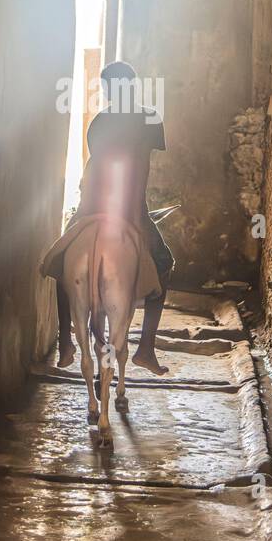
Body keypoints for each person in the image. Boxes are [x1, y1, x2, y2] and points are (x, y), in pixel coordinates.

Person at [55, 60, 173, 375]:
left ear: (108, 90)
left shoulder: (99, 122)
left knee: (61, 262)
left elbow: (96, 168)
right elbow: (141, 170)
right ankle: (146, 348)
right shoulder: (149, 118)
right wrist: (138, 216)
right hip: (128, 204)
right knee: (164, 265)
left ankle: (64, 342)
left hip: (94, 202)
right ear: (132, 86)